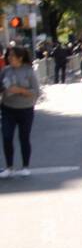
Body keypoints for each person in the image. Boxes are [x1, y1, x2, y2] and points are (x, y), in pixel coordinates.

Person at [0, 46, 41, 178]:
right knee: (7, 137)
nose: (9, 58)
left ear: (20, 57)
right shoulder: (5, 70)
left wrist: (21, 91)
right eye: (8, 56)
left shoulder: (28, 71)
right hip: (8, 108)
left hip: (25, 109)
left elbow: (36, 91)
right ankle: (9, 167)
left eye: (12, 56)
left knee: (24, 138)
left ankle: (25, 166)